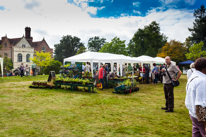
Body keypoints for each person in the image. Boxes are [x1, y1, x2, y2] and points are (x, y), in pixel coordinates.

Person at [185, 58, 206, 136]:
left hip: (193, 115)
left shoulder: (194, 77)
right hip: (200, 117)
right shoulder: (202, 80)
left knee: (197, 134)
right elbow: (200, 105)